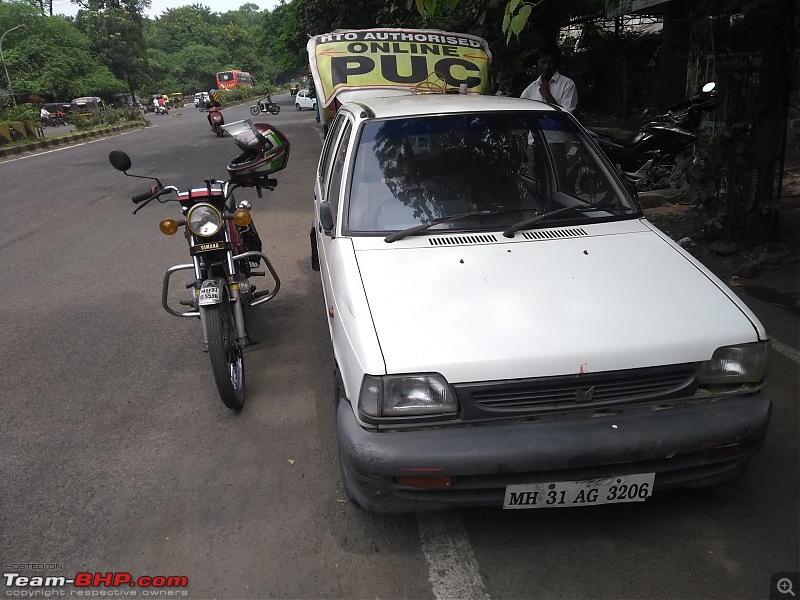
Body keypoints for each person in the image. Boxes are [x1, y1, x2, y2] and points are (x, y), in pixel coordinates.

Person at [520, 45, 577, 113]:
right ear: (538, 62)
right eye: (543, 62)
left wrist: (548, 97)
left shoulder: (567, 85)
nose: (546, 66)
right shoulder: (531, 89)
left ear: (557, 63)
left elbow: (567, 116)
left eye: (550, 62)